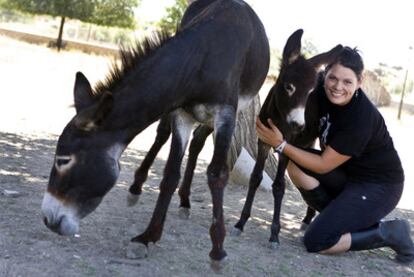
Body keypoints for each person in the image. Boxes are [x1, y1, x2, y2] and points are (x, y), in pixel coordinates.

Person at [256, 46, 414, 263]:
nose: (338, 87)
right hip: (346, 176)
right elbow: (293, 90)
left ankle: (390, 233)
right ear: (325, 75)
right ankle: (337, 217)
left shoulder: (361, 118)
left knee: (318, 241)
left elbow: (322, 165)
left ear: (360, 81)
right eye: (333, 78)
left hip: (379, 186)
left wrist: (281, 145)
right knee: (296, 164)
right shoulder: (320, 90)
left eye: (347, 82)